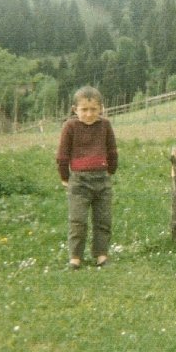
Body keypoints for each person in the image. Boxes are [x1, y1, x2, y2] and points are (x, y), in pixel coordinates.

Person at [56, 86, 118, 269]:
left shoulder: (105, 125)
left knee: (103, 220)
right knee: (78, 221)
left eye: (93, 109)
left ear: (101, 109)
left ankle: (101, 255)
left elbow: (112, 150)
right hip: (79, 182)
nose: (89, 114)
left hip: (102, 180)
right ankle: (75, 257)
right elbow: (62, 155)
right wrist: (65, 177)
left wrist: (110, 170)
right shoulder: (70, 127)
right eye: (84, 109)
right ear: (75, 110)